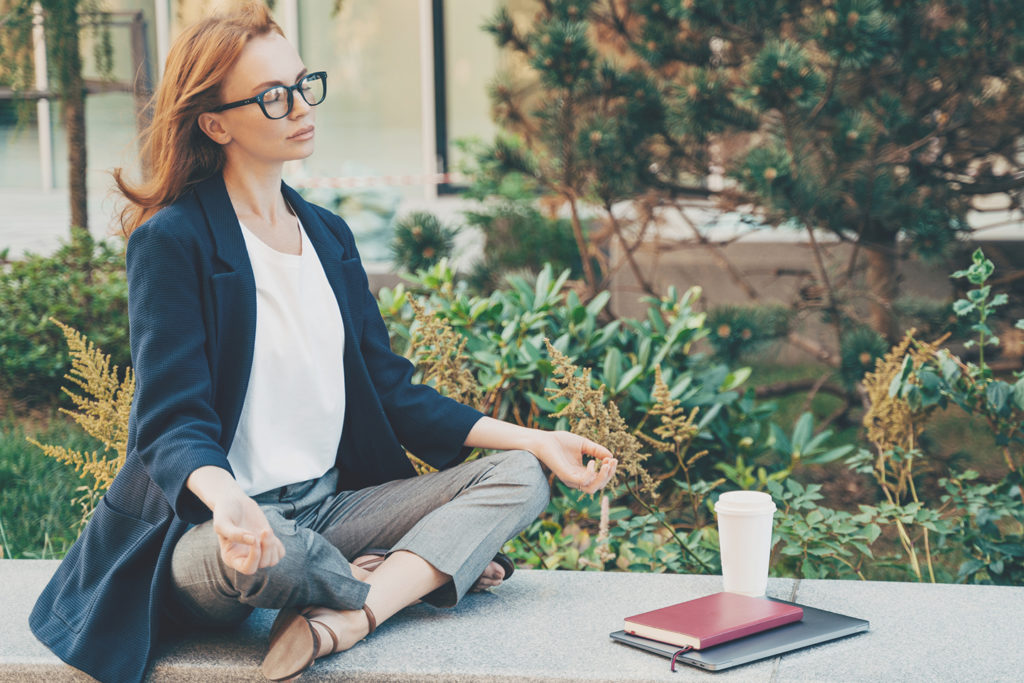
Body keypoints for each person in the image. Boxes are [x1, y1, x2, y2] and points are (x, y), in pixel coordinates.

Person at [28, 4, 617, 683]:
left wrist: (535, 438)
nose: (301, 106)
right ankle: (408, 576)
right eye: (273, 97)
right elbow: (171, 425)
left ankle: (348, 614)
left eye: (303, 84)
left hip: (335, 507)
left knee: (517, 474)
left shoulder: (329, 236)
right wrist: (230, 504)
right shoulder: (172, 242)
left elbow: (393, 391)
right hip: (219, 531)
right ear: (215, 123)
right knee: (280, 554)